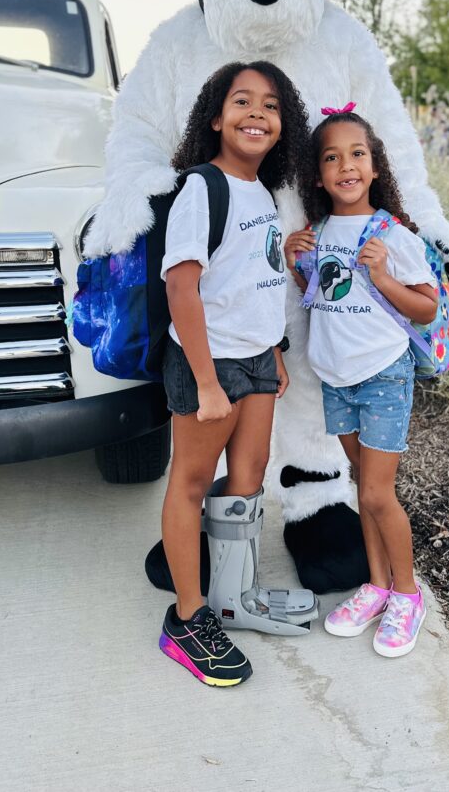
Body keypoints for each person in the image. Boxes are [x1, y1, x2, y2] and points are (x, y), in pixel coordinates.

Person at [158, 61, 309, 687]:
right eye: (241, 102)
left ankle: (233, 599)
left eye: (270, 105)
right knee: (191, 484)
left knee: (247, 481)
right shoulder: (203, 188)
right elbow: (182, 287)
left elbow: (259, 280)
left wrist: (273, 348)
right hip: (209, 362)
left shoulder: (263, 196)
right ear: (216, 118)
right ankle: (187, 618)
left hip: (255, 359)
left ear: (282, 124)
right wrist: (208, 382)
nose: (256, 114)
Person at [284, 106, 438, 658]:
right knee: (361, 488)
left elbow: (425, 308)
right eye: (331, 158)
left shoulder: (391, 235)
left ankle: (407, 593)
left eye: (357, 155)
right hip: (335, 377)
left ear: (375, 168)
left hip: (382, 376)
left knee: (377, 492)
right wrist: (295, 260)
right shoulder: (318, 232)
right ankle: (376, 586)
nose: (345, 165)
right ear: (319, 175)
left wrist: (381, 274)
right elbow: (323, 297)